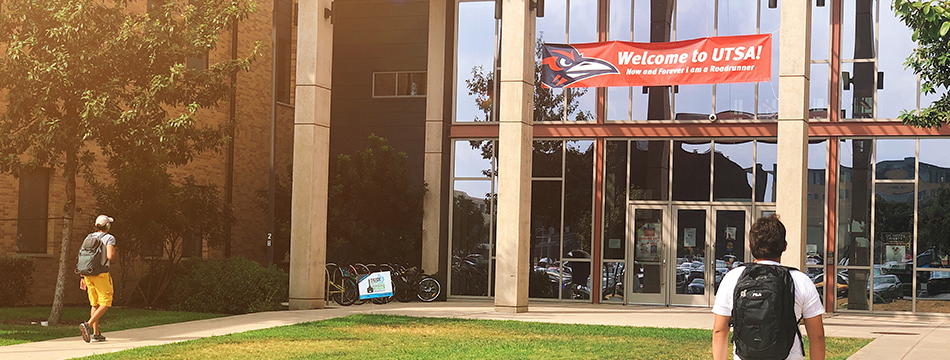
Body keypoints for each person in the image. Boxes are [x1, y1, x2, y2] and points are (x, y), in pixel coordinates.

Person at [711, 214, 825, 360]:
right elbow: (817, 336)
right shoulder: (800, 280)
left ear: (750, 246)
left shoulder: (733, 278)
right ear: (784, 246)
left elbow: (719, 330)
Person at [79, 215, 116, 343]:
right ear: (107, 226)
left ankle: (96, 334)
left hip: (88, 274)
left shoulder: (89, 237)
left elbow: (82, 257)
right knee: (105, 303)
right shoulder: (109, 238)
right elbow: (110, 256)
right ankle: (87, 325)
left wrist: (82, 277)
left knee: (94, 303)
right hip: (101, 274)